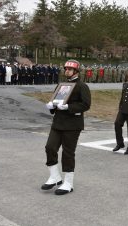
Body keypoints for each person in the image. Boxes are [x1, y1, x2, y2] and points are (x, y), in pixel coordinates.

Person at [41, 59, 91, 195]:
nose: (66, 71)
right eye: (66, 69)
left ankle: (68, 183)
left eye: (69, 69)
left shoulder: (82, 86)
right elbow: (55, 99)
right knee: (50, 147)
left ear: (75, 71)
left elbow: (86, 104)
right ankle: (55, 177)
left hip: (72, 125)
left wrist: (69, 107)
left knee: (68, 153)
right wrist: (51, 106)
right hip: (58, 123)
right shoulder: (61, 85)